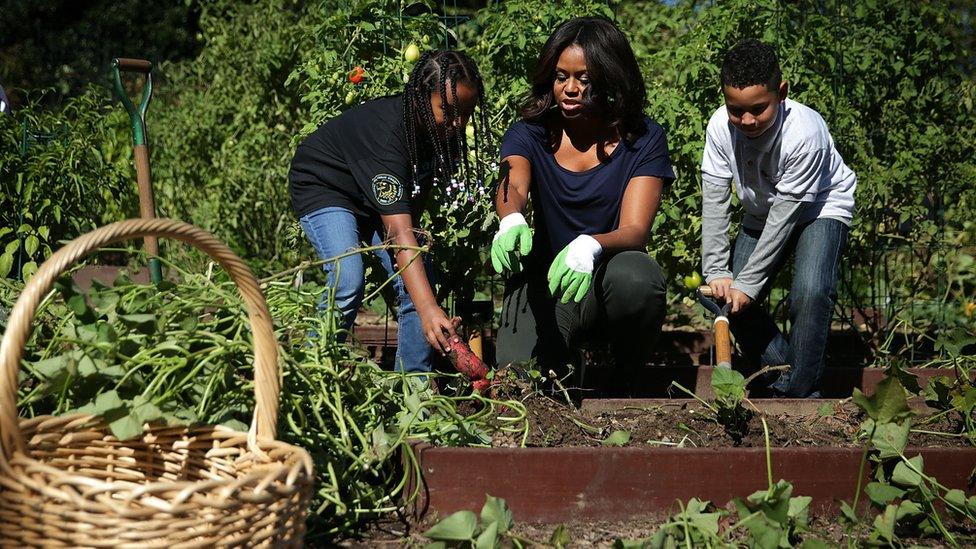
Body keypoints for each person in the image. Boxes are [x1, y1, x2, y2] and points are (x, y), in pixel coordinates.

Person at [491, 16, 674, 377]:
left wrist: (590, 244)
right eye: (561, 77)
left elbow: (636, 229)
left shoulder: (643, 138)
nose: (570, 88)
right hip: (544, 282)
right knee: (520, 377)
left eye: (584, 78)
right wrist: (511, 217)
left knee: (638, 279)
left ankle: (627, 376)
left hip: (606, 282)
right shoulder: (531, 132)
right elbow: (511, 183)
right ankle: (567, 363)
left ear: (610, 78)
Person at [289, 50, 489, 373]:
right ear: (422, 99)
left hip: (368, 194)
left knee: (418, 268)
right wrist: (429, 310)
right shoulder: (390, 139)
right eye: (450, 111)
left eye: (466, 113)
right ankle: (312, 371)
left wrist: (411, 234)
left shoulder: (441, 133)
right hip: (326, 185)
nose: (459, 123)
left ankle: (413, 391)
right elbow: (398, 233)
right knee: (347, 278)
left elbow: (418, 187)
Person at [700, 39, 857, 398]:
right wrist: (717, 271)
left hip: (819, 207)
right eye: (735, 110)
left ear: (782, 92)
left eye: (759, 108)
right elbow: (714, 199)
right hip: (762, 210)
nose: (747, 120)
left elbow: (785, 218)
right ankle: (789, 374)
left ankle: (801, 394)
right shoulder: (719, 128)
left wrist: (747, 285)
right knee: (725, 298)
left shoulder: (805, 134)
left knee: (811, 291)